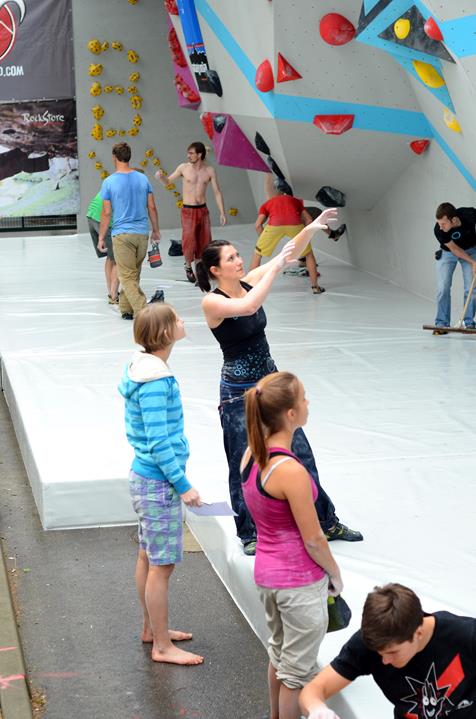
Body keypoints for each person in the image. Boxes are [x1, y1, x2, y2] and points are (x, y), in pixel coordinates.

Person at [196, 214, 363, 556]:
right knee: (243, 461)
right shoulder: (212, 302)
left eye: (238, 256)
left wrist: (311, 227)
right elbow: (249, 305)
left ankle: (325, 521)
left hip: (270, 384)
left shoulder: (248, 281)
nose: (240, 261)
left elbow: (287, 253)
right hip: (238, 393)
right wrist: (271, 270)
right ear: (215, 270)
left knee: (300, 452)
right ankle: (249, 532)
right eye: (231, 259)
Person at [241, 371, 344, 719]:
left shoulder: (250, 455)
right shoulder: (289, 471)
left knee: (280, 657)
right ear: (290, 413)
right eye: (303, 398)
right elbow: (313, 538)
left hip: (268, 576)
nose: (307, 403)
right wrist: (335, 574)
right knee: (296, 674)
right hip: (297, 581)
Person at [118, 302, 203, 665]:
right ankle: (162, 647)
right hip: (157, 483)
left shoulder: (142, 370)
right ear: (166, 333)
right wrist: (183, 484)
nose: (183, 321)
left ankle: (153, 629)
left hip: (146, 478)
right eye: (177, 319)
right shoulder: (156, 381)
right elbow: (159, 441)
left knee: (147, 555)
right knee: (161, 565)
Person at [300, 583, 476, 719]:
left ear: (418, 633)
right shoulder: (368, 644)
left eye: (393, 652)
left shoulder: (466, 635)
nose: (384, 661)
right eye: (379, 652)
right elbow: (314, 689)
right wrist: (317, 709)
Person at [98, 142, 161, 320]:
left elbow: (107, 212)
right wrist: (155, 230)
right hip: (142, 233)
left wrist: (101, 237)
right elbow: (152, 207)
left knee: (127, 276)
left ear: (114, 157)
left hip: (122, 234)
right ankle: (126, 309)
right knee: (133, 274)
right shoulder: (143, 179)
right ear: (129, 156)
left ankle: (144, 314)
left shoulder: (109, 182)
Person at [155, 141, 226, 284]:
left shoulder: (209, 170)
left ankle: (200, 272)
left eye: (191, 153)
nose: (188, 156)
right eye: (188, 153)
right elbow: (168, 181)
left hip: (203, 210)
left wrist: (222, 212)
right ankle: (188, 265)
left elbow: (217, 192)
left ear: (199, 155)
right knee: (189, 241)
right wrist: (160, 177)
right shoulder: (184, 168)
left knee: (204, 241)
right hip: (188, 210)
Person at [250, 175, 324, 294]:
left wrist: (263, 240)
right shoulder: (295, 201)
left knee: (257, 254)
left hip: (274, 225)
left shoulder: (267, 203)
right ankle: (315, 287)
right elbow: (309, 220)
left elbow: (257, 225)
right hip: (295, 225)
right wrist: (305, 235)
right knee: (309, 255)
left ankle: (250, 288)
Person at [433, 203, 476, 335]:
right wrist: (473, 262)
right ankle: (441, 323)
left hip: (471, 249)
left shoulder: (469, 215)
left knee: (472, 288)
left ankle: (467, 322)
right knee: (443, 287)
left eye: (444, 223)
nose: (441, 226)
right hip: (448, 252)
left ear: (454, 219)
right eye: (439, 223)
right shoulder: (439, 230)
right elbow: (455, 250)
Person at [86, 190, 119, 304]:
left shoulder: (113, 180)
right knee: (118, 259)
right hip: (103, 219)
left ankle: (111, 292)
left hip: (92, 215)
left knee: (110, 257)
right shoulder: (128, 186)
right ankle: (113, 295)